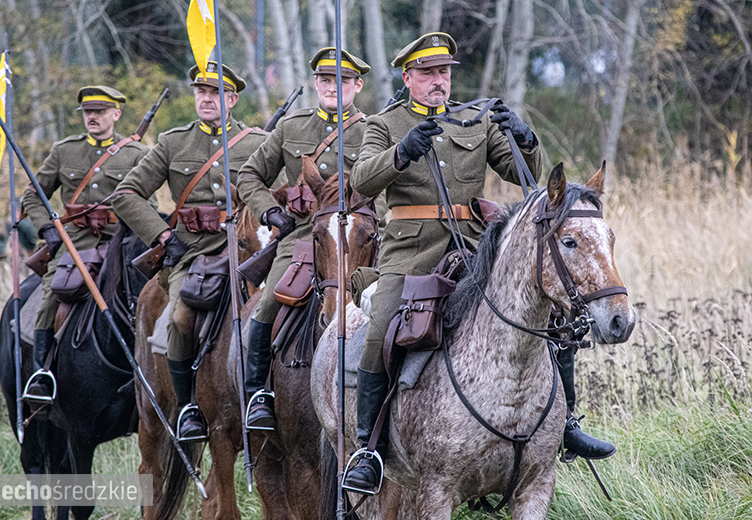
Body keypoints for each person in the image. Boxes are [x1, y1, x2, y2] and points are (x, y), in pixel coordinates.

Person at [343, 32, 614, 494]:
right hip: (408, 254)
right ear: (407, 77)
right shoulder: (386, 124)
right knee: (382, 326)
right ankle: (367, 450)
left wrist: (526, 138)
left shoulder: (475, 121)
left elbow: (527, 175)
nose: (438, 82)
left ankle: (564, 423)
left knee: (550, 310)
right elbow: (362, 180)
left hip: (473, 249)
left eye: (444, 73)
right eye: (428, 73)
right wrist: (403, 151)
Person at [113, 62, 267, 440]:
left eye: (215, 93)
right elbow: (125, 194)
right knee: (180, 318)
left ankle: (264, 396)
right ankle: (188, 409)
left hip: (247, 250)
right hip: (192, 253)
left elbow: (274, 194)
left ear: (231, 99)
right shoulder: (172, 142)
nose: (206, 99)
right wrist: (163, 237)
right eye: (201, 91)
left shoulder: (258, 142)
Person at [236, 47, 370, 431]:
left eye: (342, 81)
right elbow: (249, 175)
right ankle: (259, 394)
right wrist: (270, 212)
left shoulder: (371, 130)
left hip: (357, 241)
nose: (333, 87)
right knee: (265, 306)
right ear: (316, 83)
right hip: (301, 237)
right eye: (326, 80)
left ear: (357, 85)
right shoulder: (291, 127)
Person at [22, 86, 150, 405]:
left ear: (115, 115)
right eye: (87, 112)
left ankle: (153, 370)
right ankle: (41, 375)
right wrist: (47, 229)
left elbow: (147, 204)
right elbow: (33, 195)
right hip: (74, 243)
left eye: (99, 112)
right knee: (51, 293)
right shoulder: (65, 150)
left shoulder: (136, 155)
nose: (92, 117)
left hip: (121, 241)